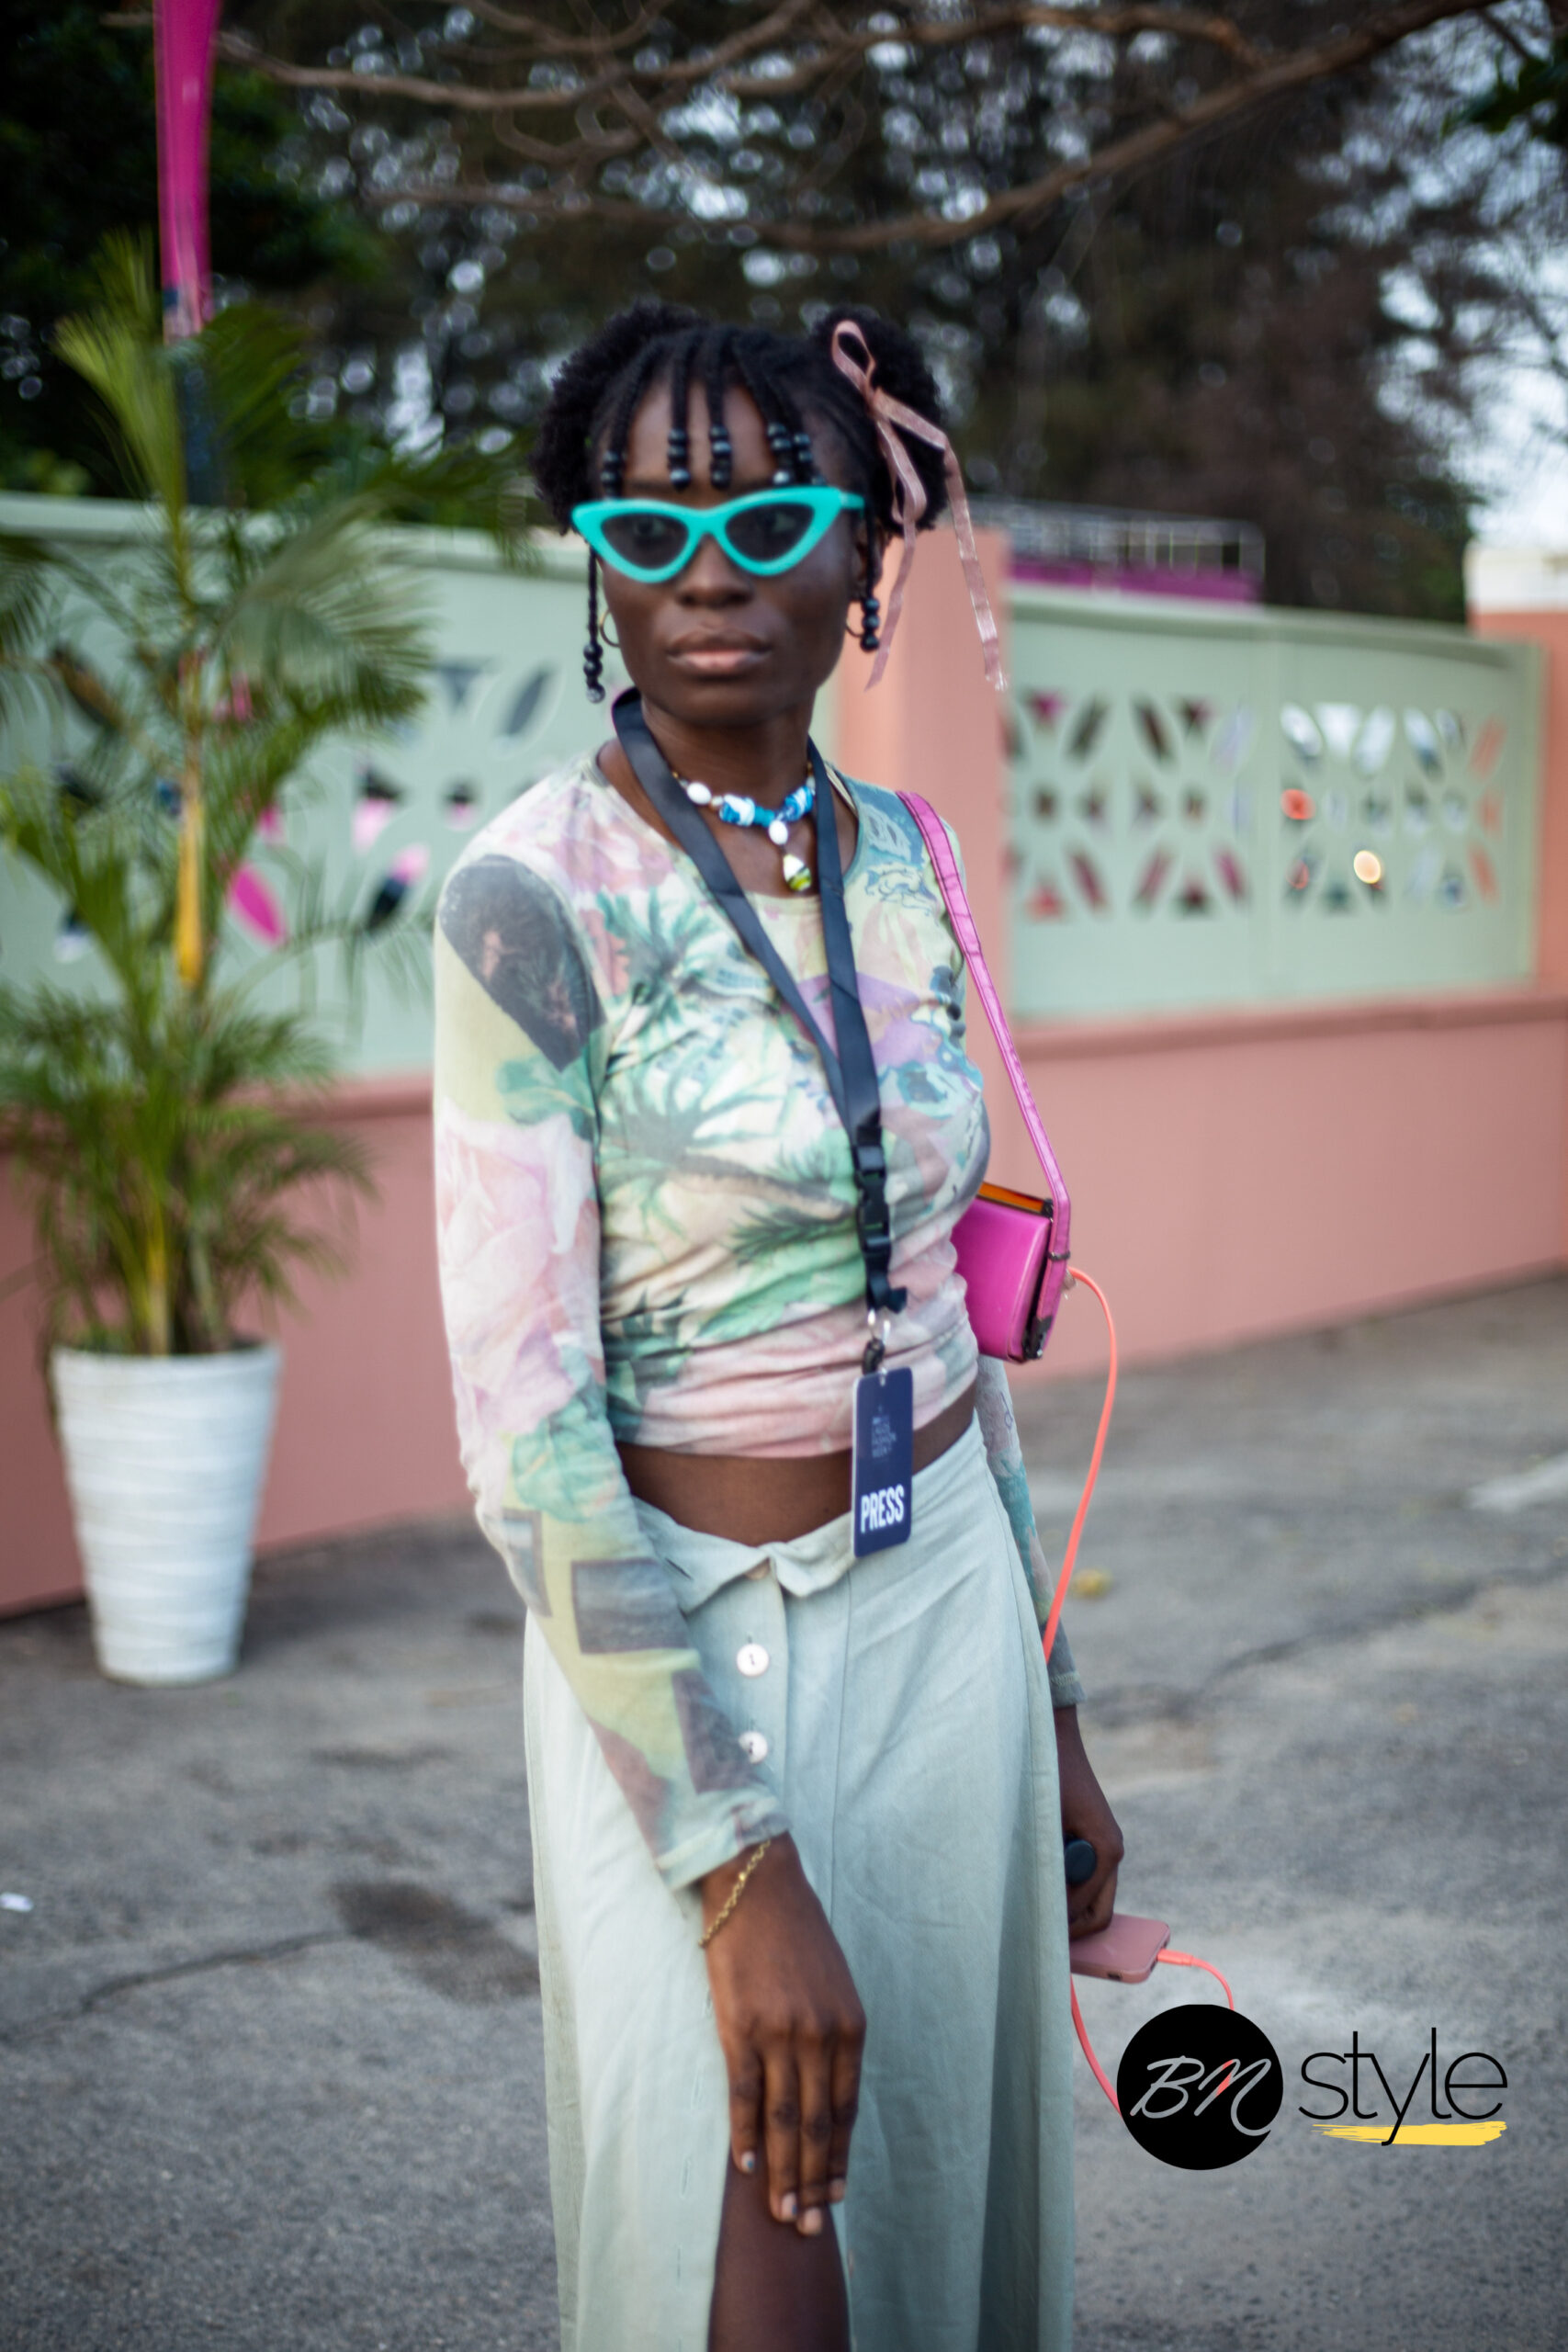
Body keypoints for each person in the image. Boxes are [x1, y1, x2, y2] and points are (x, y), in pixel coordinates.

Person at [433, 300, 1124, 2352]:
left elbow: (941, 1312)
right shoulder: (528, 899)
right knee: (739, 2247)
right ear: (595, 565)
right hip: (679, 1634)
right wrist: (735, 1867)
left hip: (944, 1626)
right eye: (645, 528)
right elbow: (525, 1433)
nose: (707, 572)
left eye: (765, 517)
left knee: (924, 2211)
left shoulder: (908, 860)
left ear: (859, 554)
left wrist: (1054, 1704)